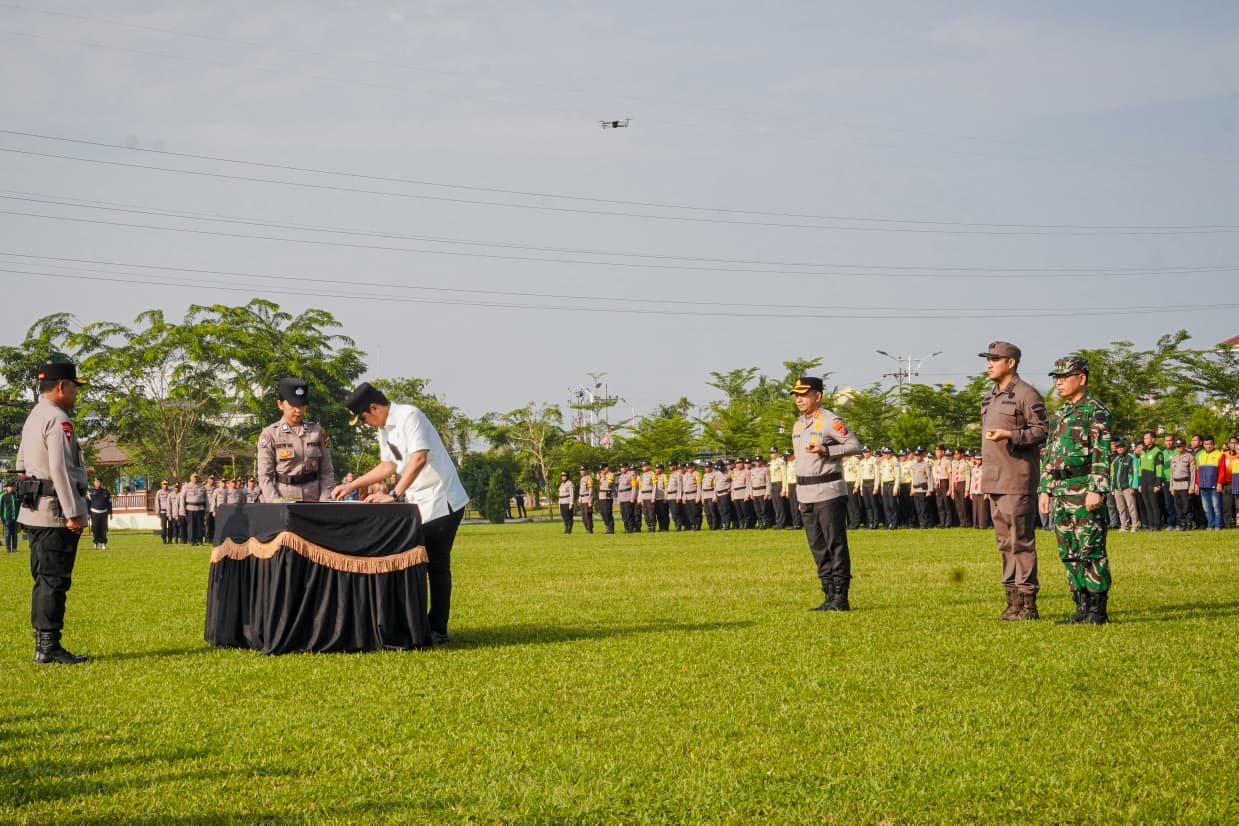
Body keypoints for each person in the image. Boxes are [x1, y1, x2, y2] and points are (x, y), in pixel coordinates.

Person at [334, 382, 469, 646]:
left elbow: (419, 458)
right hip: (419, 502)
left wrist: (393, 495)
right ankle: (419, 624)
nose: (365, 424)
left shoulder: (410, 415)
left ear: (374, 408)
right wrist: (352, 484)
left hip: (442, 500)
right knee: (417, 562)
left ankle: (437, 628)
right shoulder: (384, 429)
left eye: (363, 418)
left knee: (436, 564)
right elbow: (389, 465)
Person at [15, 360, 90, 664]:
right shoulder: (59, 420)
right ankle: (48, 647)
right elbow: (60, 469)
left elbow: (21, 465)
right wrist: (74, 512)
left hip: (35, 511)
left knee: (44, 578)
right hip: (55, 513)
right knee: (54, 580)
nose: (76, 393)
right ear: (61, 386)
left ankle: (45, 643)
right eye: (74, 387)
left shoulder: (34, 416)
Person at [1038, 356, 1113, 625]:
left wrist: (1096, 489)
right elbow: (1049, 455)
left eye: (1064, 376)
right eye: (1056, 377)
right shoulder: (1059, 415)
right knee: (1068, 550)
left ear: (1081, 378)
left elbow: (1102, 453)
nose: (1058, 382)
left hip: (1084, 489)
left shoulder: (1095, 410)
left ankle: (1097, 609)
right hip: (1061, 490)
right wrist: (1045, 488)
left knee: (1090, 548)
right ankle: (1080, 605)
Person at [979, 340, 1049, 621]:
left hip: (1017, 479)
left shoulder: (1026, 393)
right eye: (988, 359)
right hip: (995, 480)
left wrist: (1012, 436)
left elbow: (1042, 430)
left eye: (995, 359)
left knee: (1020, 541)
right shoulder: (991, 397)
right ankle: (1012, 602)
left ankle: (1028, 604)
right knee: (1004, 543)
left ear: (1011, 363)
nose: (989, 364)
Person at [790, 376, 863, 611]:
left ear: (817, 396)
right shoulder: (798, 425)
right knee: (817, 547)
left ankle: (841, 597)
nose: (799, 399)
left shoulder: (830, 421)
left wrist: (827, 449)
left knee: (835, 544)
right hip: (806, 493)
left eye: (804, 394)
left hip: (828, 492)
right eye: (796, 395)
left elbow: (854, 445)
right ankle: (828, 594)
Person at [256, 377, 336, 504]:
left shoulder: (317, 431)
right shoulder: (270, 434)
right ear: (280, 404)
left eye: (302, 405)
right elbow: (265, 476)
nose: (299, 410)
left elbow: (327, 471)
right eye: (293, 405)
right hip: (283, 499)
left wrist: (324, 500)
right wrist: (275, 502)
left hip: (313, 500)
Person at [1109, 439, 1140, 531]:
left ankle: (1135, 525)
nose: (1120, 449)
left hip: (1127, 487)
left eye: (1121, 447)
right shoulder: (1116, 460)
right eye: (1118, 447)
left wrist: (1133, 487)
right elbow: (1113, 475)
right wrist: (1112, 488)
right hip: (1117, 488)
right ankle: (1124, 526)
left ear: (1125, 447)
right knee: (1121, 508)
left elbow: (1135, 472)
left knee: (1131, 507)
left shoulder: (1131, 457)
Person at [1169, 439, 1196, 530]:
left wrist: (1191, 487)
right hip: (1176, 485)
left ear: (1184, 446)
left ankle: (1189, 523)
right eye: (1177, 446)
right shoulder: (1174, 458)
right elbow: (1171, 473)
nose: (1178, 448)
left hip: (1185, 484)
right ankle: (1182, 523)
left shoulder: (1189, 457)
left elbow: (1193, 473)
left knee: (1187, 506)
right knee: (1178, 506)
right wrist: (1171, 487)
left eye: (1180, 446)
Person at [85, 478, 113, 550]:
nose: (98, 483)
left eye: (99, 482)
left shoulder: (106, 492)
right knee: (95, 528)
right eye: (96, 482)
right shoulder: (90, 492)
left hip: (104, 512)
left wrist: (110, 513)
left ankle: (104, 543)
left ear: (101, 482)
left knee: (104, 529)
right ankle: (96, 543)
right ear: (94, 483)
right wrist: (87, 513)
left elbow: (109, 503)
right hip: (94, 512)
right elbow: (87, 503)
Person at [596, 462, 615, 533]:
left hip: (607, 495)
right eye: (601, 469)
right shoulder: (602, 475)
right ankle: (607, 526)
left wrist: (603, 477)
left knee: (607, 512)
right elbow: (600, 485)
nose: (601, 471)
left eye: (603, 469)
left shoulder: (610, 475)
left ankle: (611, 528)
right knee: (603, 513)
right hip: (601, 495)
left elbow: (609, 485)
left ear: (607, 468)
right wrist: (599, 480)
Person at [2, 479, 20, 553]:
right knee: (7, 534)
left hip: (15, 518)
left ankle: (15, 548)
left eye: (12, 487)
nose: (11, 488)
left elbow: (19, 507)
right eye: (10, 487)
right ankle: (8, 549)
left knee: (15, 534)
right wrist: (1, 518)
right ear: (7, 488)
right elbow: (1, 508)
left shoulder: (17, 495)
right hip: (7, 518)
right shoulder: (3, 496)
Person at [576, 466, 594, 534]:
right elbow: (581, 490)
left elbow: (590, 490)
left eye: (583, 470)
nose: (581, 471)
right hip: (582, 499)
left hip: (587, 498)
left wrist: (590, 501)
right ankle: (586, 528)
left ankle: (590, 529)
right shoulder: (582, 479)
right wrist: (579, 498)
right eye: (581, 470)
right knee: (583, 516)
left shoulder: (588, 478)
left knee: (587, 514)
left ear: (586, 471)